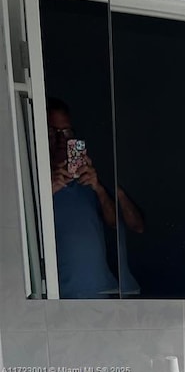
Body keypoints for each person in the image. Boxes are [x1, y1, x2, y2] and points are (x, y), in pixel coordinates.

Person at [47, 97, 144, 298]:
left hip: (103, 293)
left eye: (66, 132)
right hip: (60, 299)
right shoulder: (32, 183)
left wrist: (98, 188)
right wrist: (47, 192)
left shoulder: (88, 181)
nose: (61, 140)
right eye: (52, 132)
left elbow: (117, 225)